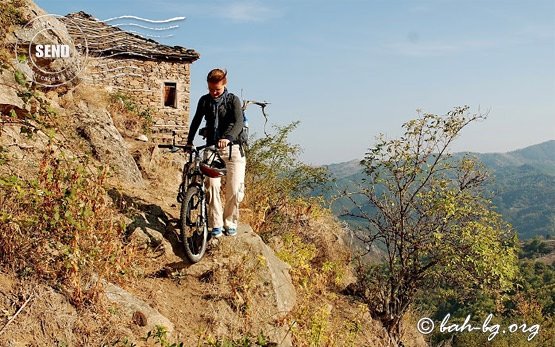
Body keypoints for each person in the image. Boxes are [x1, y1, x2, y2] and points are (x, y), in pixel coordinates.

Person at [186, 68, 246, 238]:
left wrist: (227, 138)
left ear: (224, 84)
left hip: (233, 149)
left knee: (234, 189)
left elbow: (239, 122)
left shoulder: (232, 100)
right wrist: (189, 141)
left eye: (217, 89)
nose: (213, 92)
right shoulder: (204, 101)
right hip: (212, 148)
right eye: (211, 89)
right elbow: (196, 120)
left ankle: (230, 222)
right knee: (211, 186)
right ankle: (216, 223)